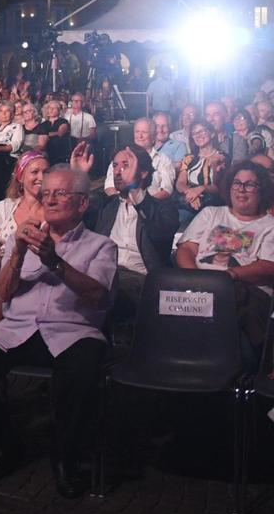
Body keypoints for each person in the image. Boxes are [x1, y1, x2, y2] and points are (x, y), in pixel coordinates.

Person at [0, 164, 117, 499]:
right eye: (46, 194)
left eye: (60, 193)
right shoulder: (24, 239)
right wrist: (17, 251)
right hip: (19, 328)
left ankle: (67, 458)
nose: (50, 199)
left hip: (74, 332)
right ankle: (5, 442)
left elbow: (99, 295)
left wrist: (54, 261)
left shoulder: (101, 245)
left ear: (82, 203)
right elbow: (3, 293)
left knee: (79, 377)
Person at [176, 160, 274, 368]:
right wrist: (195, 279)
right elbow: (186, 250)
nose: (242, 190)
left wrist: (229, 276)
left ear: (261, 190)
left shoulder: (269, 225)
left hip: (243, 290)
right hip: (197, 287)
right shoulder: (211, 213)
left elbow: (267, 267)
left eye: (250, 185)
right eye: (237, 183)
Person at [86, 145, 178, 329]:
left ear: (143, 172)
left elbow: (160, 232)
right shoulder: (106, 205)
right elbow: (75, 214)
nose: (118, 171)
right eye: (115, 165)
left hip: (140, 280)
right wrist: (79, 177)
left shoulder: (162, 208)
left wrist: (135, 189)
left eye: (126, 165)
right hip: (104, 275)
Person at [103, 118, 175, 200]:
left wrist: (141, 204)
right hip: (122, 206)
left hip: (152, 209)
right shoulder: (120, 157)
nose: (140, 136)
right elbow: (109, 187)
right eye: (137, 132)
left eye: (144, 132)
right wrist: (126, 204)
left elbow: (167, 190)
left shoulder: (164, 160)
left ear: (153, 136)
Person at [176, 119, 227, 226]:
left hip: (212, 203)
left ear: (212, 133)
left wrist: (200, 189)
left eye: (202, 131)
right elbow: (180, 183)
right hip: (188, 202)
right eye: (195, 133)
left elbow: (220, 187)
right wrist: (191, 194)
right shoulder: (189, 158)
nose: (198, 135)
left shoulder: (222, 157)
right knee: (179, 217)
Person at [0, 101, 24, 203]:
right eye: (1, 111)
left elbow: (15, 145)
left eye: (7, 111)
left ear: (12, 113)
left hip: (7, 158)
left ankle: (0, 199)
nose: (4, 113)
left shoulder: (17, 127)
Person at [40, 100, 72, 164]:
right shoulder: (43, 124)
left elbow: (60, 133)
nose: (51, 110)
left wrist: (47, 135)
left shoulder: (63, 121)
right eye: (49, 108)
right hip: (48, 153)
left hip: (61, 153)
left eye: (54, 108)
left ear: (58, 110)